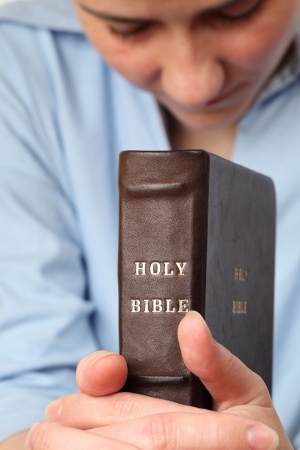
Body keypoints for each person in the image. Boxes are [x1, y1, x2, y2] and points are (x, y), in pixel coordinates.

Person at [0, 0, 300, 448]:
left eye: (238, 12)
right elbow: (19, 375)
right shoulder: (20, 57)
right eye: (128, 27)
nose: (193, 86)